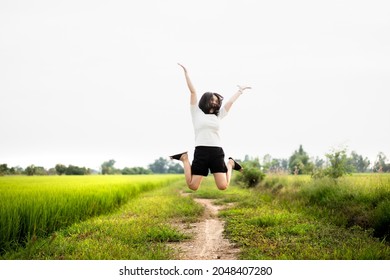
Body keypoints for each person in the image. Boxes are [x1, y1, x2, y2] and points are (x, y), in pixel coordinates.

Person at [170, 63, 251, 191]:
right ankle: (184, 158)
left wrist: (240, 91)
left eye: (216, 101)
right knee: (193, 186)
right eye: (212, 100)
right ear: (205, 100)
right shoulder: (196, 112)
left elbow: (229, 102)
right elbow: (193, 92)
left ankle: (231, 163)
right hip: (201, 151)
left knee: (223, 186)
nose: (214, 102)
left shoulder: (219, 115)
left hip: (216, 152)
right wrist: (186, 74)